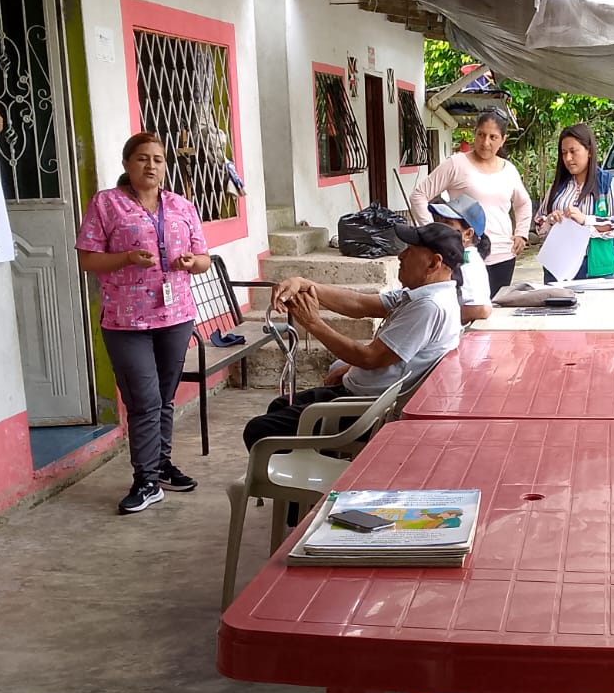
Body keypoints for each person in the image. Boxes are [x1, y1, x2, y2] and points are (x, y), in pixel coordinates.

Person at [76, 131, 212, 515]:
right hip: (126, 321)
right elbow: (87, 259)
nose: (150, 165)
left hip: (176, 314)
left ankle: (161, 466)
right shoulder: (107, 204)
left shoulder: (182, 205)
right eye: (142, 158)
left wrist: (192, 263)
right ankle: (145, 480)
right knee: (143, 400)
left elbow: (203, 258)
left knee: (164, 398)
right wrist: (126, 258)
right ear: (126, 164)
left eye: (157, 159)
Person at [243, 223, 463, 448]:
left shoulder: (429, 306)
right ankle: (298, 461)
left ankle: (307, 465)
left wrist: (312, 323)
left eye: (410, 251)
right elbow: (360, 304)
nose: (401, 255)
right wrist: (305, 284)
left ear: (433, 263)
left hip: (367, 410)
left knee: (259, 431)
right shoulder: (421, 295)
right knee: (280, 406)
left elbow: (369, 358)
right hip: (359, 394)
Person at [408, 109, 532, 297]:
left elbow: (523, 203)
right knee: (465, 308)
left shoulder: (509, 170)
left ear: (503, 140)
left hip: (502, 255)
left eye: (493, 137)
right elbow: (419, 196)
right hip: (463, 255)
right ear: (475, 133)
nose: (485, 142)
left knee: (495, 310)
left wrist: (522, 234)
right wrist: (435, 235)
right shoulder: (456, 164)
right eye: (481, 134)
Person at [531, 123, 614, 283]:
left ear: (589, 151)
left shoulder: (608, 184)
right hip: (557, 268)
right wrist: (550, 220)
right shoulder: (558, 186)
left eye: (573, 151)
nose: (568, 158)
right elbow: (539, 222)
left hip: (595, 268)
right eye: (564, 153)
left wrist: (585, 220)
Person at [428, 194, 494, 323]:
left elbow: (480, 309)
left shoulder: (467, 263)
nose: (441, 228)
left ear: (468, 234)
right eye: (441, 222)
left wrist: (434, 318)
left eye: (448, 223)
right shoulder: (457, 258)